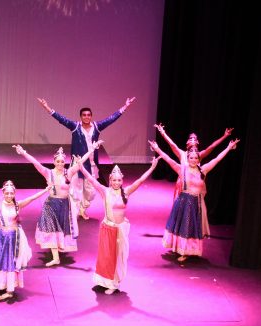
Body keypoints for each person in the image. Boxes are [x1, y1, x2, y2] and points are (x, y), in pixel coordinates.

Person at [37, 97, 135, 220]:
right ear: (81, 117)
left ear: (91, 116)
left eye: (89, 115)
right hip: (78, 163)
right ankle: (75, 211)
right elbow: (60, 119)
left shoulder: (97, 126)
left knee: (90, 191)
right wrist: (47, 107)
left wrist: (124, 107)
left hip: (92, 164)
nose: (86, 117)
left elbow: (111, 119)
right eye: (84, 115)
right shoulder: (75, 127)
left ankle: (83, 208)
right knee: (76, 189)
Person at [149, 138, 240, 263]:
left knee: (192, 228)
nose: (193, 160)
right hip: (183, 203)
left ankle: (189, 251)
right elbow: (168, 159)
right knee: (182, 227)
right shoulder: (182, 169)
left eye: (195, 158)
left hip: (196, 204)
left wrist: (228, 148)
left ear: (198, 159)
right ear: (188, 158)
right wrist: (157, 148)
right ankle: (181, 250)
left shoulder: (203, 170)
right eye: (191, 158)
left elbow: (217, 159)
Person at [12, 141, 102, 266]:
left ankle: (57, 250)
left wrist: (91, 149)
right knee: (52, 228)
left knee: (60, 229)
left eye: (62, 162)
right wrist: (23, 153)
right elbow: (35, 162)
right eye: (58, 161)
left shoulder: (68, 172)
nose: (60, 164)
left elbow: (80, 163)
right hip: (51, 205)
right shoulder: (48, 173)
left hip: (64, 205)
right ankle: (55, 257)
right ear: (54, 162)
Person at [79, 156, 160, 294]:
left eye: (119, 180)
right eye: (114, 180)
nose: (116, 182)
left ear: (122, 180)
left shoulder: (126, 192)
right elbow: (91, 179)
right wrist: (81, 166)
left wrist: (152, 167)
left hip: (120, 230)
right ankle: (106, 281)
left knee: (118, 256)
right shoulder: (105, 191)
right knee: (106, 256)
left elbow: (140, 181)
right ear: (110, 180)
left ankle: (114, 283)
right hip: (108, 228)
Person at [154, 123, 234, 236]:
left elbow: (212, 148)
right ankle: (179, 229)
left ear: (198, 142)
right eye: (190, 138)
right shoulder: (182, 154)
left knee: (196, 208)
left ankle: (194, 230)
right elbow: (171, 145)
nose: (193, 140)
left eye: (195, 138)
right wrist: (162, 133)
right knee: (181, 208)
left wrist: (225, 136)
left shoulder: (199, 156)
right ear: (187, 143)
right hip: (183, 183)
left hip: (196, 183)